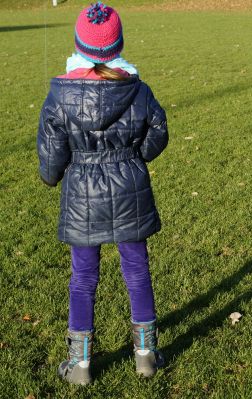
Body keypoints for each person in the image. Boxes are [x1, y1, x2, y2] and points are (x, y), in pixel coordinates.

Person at [37, 1, 168, 385]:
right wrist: (133, 157)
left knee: (82, 278)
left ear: (79, 44)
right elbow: (158, 133)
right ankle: (145, 356)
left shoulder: (59, 96)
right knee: (137, 272)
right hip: (130, 187)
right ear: (118, 46)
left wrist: (55, 174)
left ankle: (80, 365)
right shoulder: (139, 90)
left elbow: (49, 157)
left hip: (81, 194)